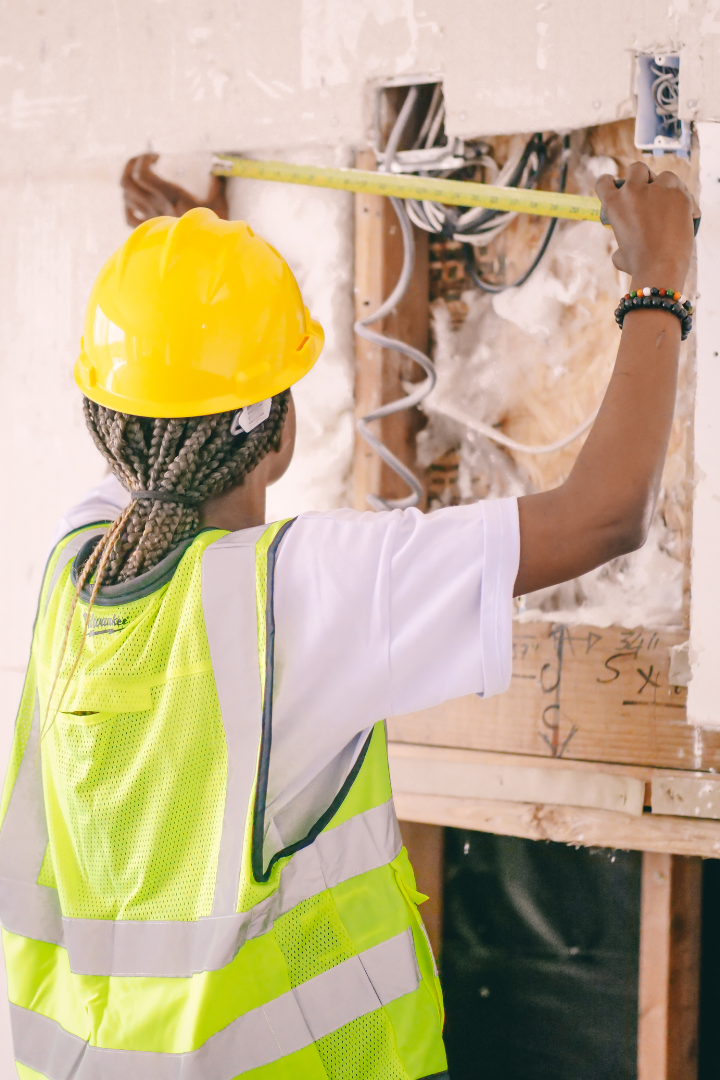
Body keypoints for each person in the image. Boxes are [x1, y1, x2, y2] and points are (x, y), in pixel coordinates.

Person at [0, 162, 696, 1080]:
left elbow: (163, 417)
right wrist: (660, 282)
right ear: (279, 431)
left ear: (104, 424)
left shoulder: (73, 569)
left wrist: (184, 265)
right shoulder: (294, 598)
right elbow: (606, 512)